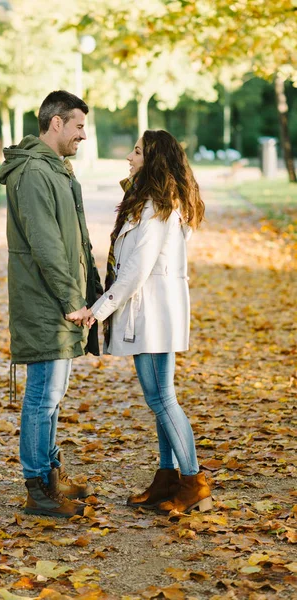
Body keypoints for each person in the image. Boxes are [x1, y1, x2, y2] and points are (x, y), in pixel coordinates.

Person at [85, 130, 213, 514]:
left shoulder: (157, 206)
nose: (129, 156)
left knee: (161, 398)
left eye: (137, 151)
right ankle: (167, 477)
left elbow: (136, 270)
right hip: (153, 312)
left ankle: (193, 482)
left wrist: (97, 311)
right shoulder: (149, 201)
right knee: (160, 399)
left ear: (153, 159)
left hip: (153, 313)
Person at [0, 91, 103, 518]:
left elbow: (74, 241)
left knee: (52, 395)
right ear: (55, 123)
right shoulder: (33, 173)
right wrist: (72, 300)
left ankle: (51, 474)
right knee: (42, 396)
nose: (83, 134)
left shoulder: (54, 170)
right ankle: (38, 486)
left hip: (58, 302)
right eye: (78, 126)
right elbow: (46, 245)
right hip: (47, 303)